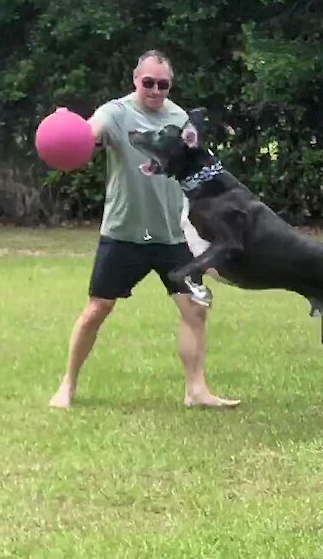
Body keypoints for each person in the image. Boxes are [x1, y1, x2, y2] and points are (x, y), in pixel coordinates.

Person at [48, 50, 240, 409]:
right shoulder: (116, 113)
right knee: (98, 308)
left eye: (162, 84)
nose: (154, 90)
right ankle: (67, 385)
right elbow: (92, 131)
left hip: (173, 235)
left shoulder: (179, 117)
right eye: (148, 82)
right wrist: (74, 136)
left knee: (194, 310)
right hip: (124, 234)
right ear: (136, 80)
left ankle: (196, 390)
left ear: (170, 85)